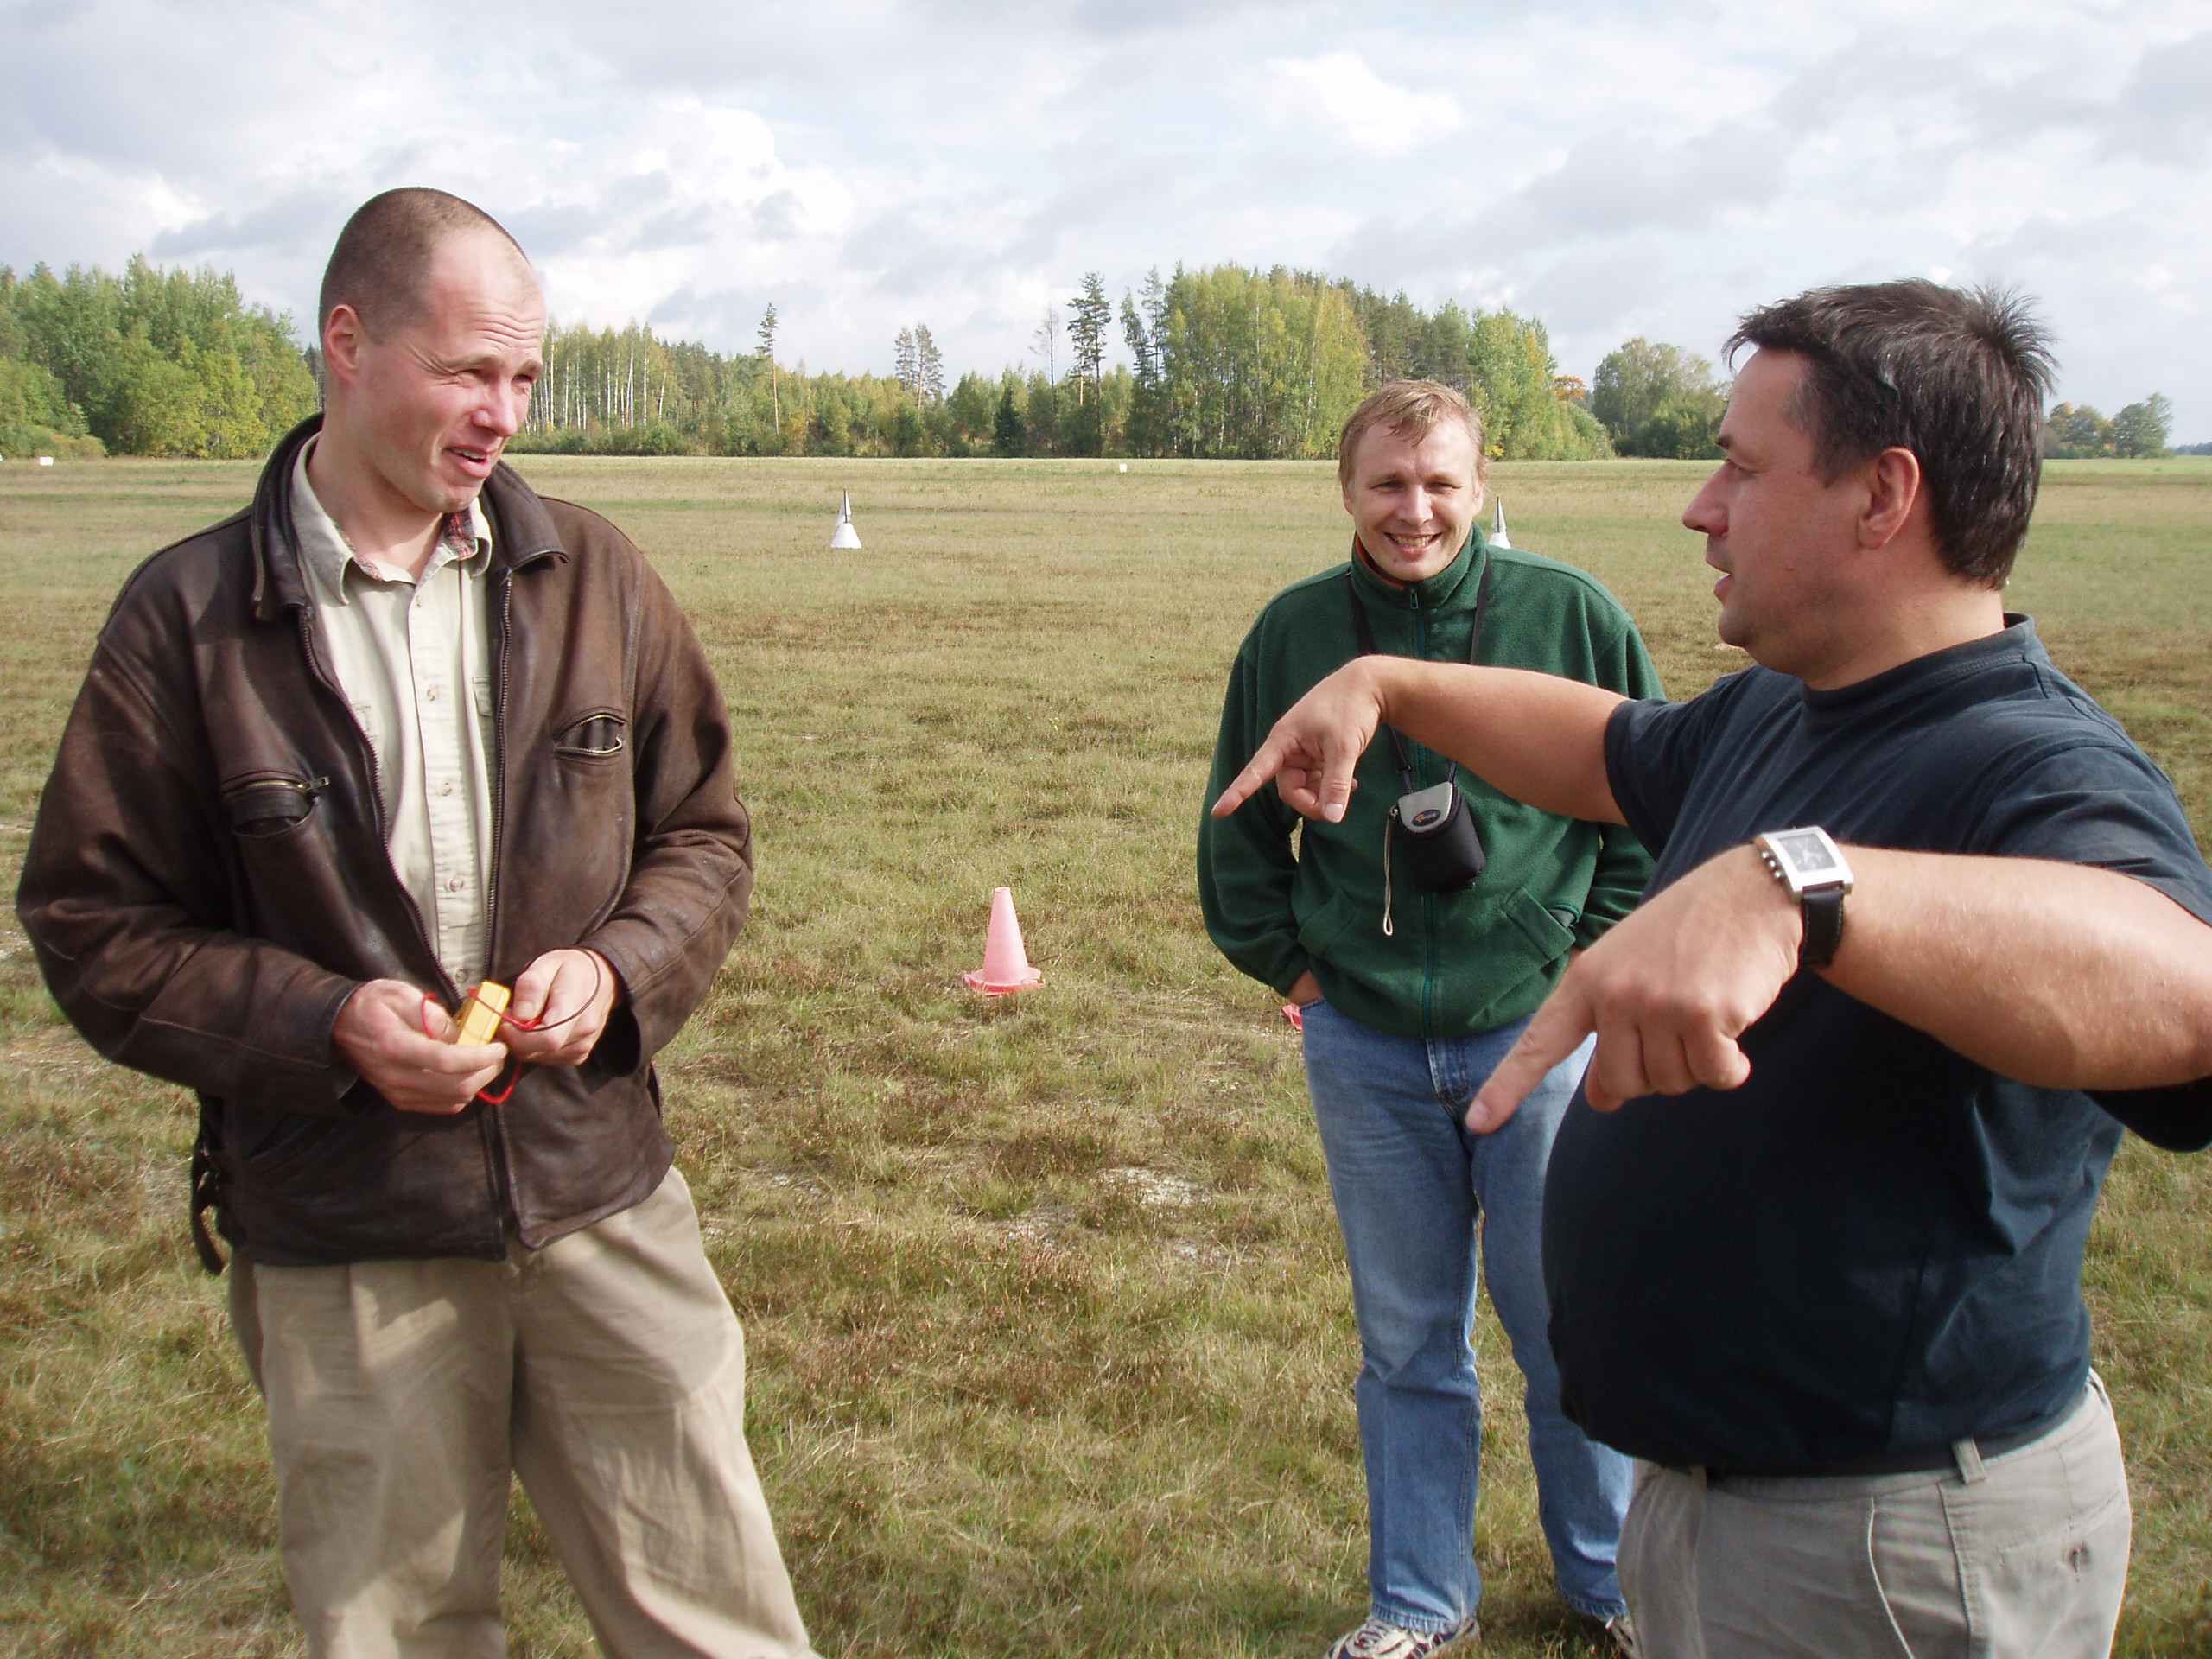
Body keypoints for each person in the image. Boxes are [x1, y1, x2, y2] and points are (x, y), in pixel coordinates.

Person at [1214, 281, 2212, 1658]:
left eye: (1742, 468)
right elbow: (1598, 743)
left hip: (1893, 1543)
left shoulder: (2032, 760)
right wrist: (1394, 687)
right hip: (1724, 1510)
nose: (1700, 506)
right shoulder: (1779, 715)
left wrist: (1802, 886)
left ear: (1883, 496)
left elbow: (2185, 993)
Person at [16, 188, 819, 1659]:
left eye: (524, 376)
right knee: (396, 1634)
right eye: (469, 371)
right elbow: (92, 921)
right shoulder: (185, 620)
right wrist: (322, 1024)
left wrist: (616, 966)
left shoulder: (598, 574)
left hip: (598, 1196)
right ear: (345, 342)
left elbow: (703, 836)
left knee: (719, 1625)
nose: (504, 413)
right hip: (345, 1232)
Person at [1199, 381, 1661, 1657]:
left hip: (1541, 1042)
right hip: (1368, 1047)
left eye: (1440, 482)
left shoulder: (1570, 617)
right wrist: (1304, 974)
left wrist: (1582, 955)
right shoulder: (1294, 634)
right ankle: (1417, 1601)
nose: (1415, 510)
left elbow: (1653, 807)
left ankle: (1609, 1586)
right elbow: (1235, 834)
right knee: (1408, 1342)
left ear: (1481, 481)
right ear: (1346, 489)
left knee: (1570, 1327)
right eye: (1388, 484)